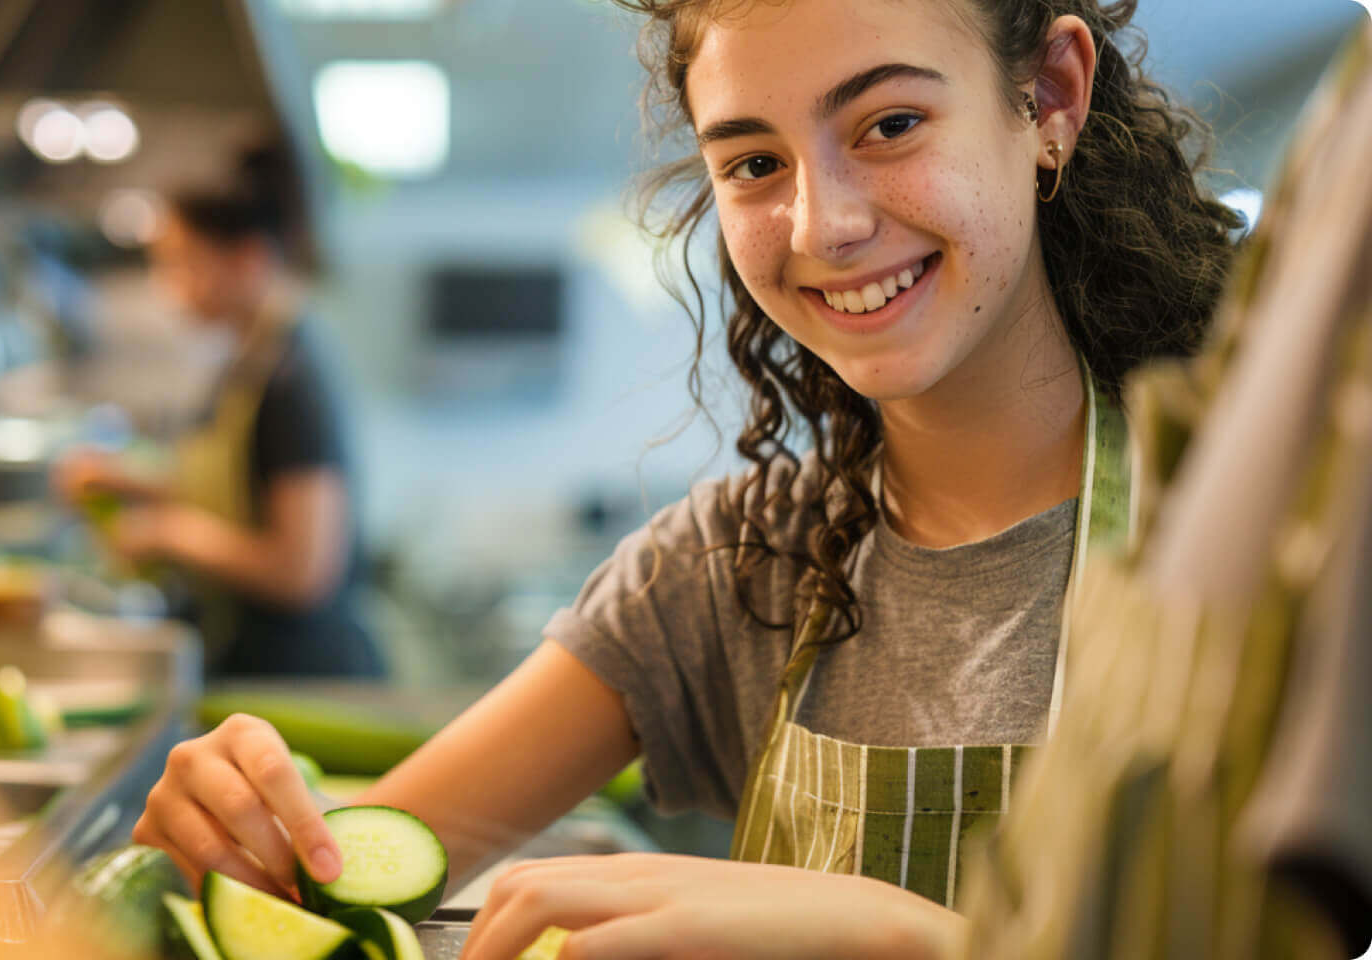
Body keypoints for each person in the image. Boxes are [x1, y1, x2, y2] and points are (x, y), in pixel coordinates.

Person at [128, 0, 1244, 956]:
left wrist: (916, 938)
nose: (826, 223)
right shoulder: (737, 567)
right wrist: (238, 836)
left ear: (1049, 98)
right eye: (755, 163)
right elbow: (334, 877)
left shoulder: (1268, 536)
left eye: (892, 124)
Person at [56, 146, 385, 680]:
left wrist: (170, 533)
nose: (168, 286)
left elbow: (304, 570)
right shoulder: (251, 364)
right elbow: (232, 491)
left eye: (181, 261)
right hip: (254, 660)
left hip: (305, 677)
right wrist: (121, 478)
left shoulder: (293, 381)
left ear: (247, 259)